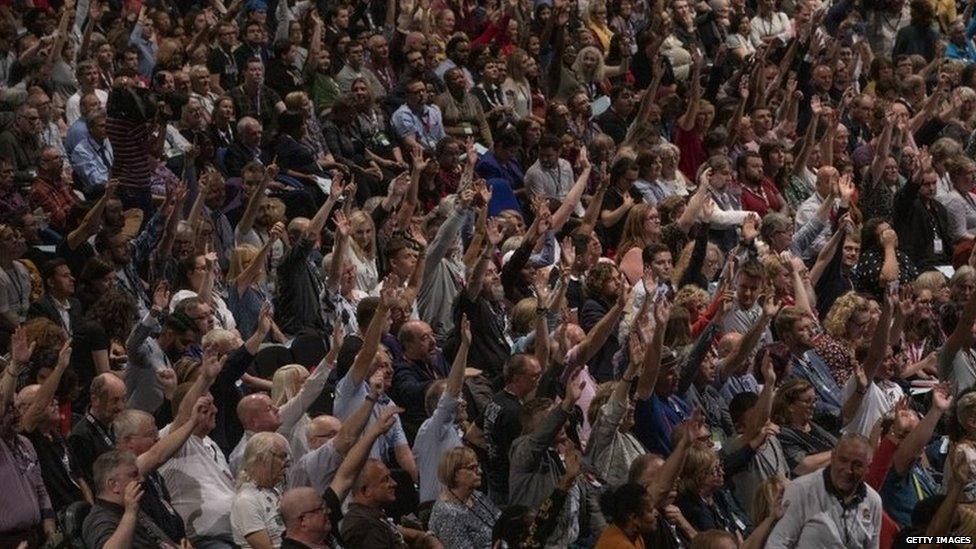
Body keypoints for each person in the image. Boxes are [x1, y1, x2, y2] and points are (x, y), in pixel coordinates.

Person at [766, 434, 883, 548]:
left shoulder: (873, 501)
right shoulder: (802, 489)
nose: (848, 470)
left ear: (868, 468)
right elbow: (777, 543)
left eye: (857, 465)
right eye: (843, 460)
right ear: (832, 457)